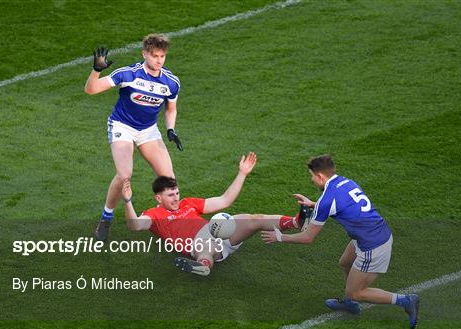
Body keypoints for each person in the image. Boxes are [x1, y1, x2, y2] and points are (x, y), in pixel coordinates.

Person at [261, 155, 420, 329]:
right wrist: (314, 204)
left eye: (312, 176)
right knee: (345, 262)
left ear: (320, 176)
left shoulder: (327, 199)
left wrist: (280, 237)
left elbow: (307, 238)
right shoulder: (345, 182)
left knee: (356, 292)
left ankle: (405, 300)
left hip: (373, 246)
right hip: (371, 235)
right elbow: (342, 204)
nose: (312, 180)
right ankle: (350, 304)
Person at [122, 152, 311, 276]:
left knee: (254, 219)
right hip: (197, 242)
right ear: (158, 198)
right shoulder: (154, 214)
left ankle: (296, 222)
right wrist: (128, 201)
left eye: (177, 192)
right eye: (170, 195)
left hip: (218, 230)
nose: (176, 197)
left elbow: (225, 200)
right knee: (205, 246)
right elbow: (135, 225)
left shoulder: (188, 203)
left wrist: (242, 174)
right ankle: (203, 266)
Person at [84, 34, 183, 241]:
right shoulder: (128, 74)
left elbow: (170, 109)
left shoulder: (171, 82)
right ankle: (106, 218)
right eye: (154, 55)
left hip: (148, 131)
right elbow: (91, 90)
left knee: (169, 181)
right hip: (122, 127)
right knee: (124, 174)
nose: (159, 60)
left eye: (162, 56)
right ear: (144, 54)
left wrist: (170, 130)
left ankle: (167, 223)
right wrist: (96, 70)